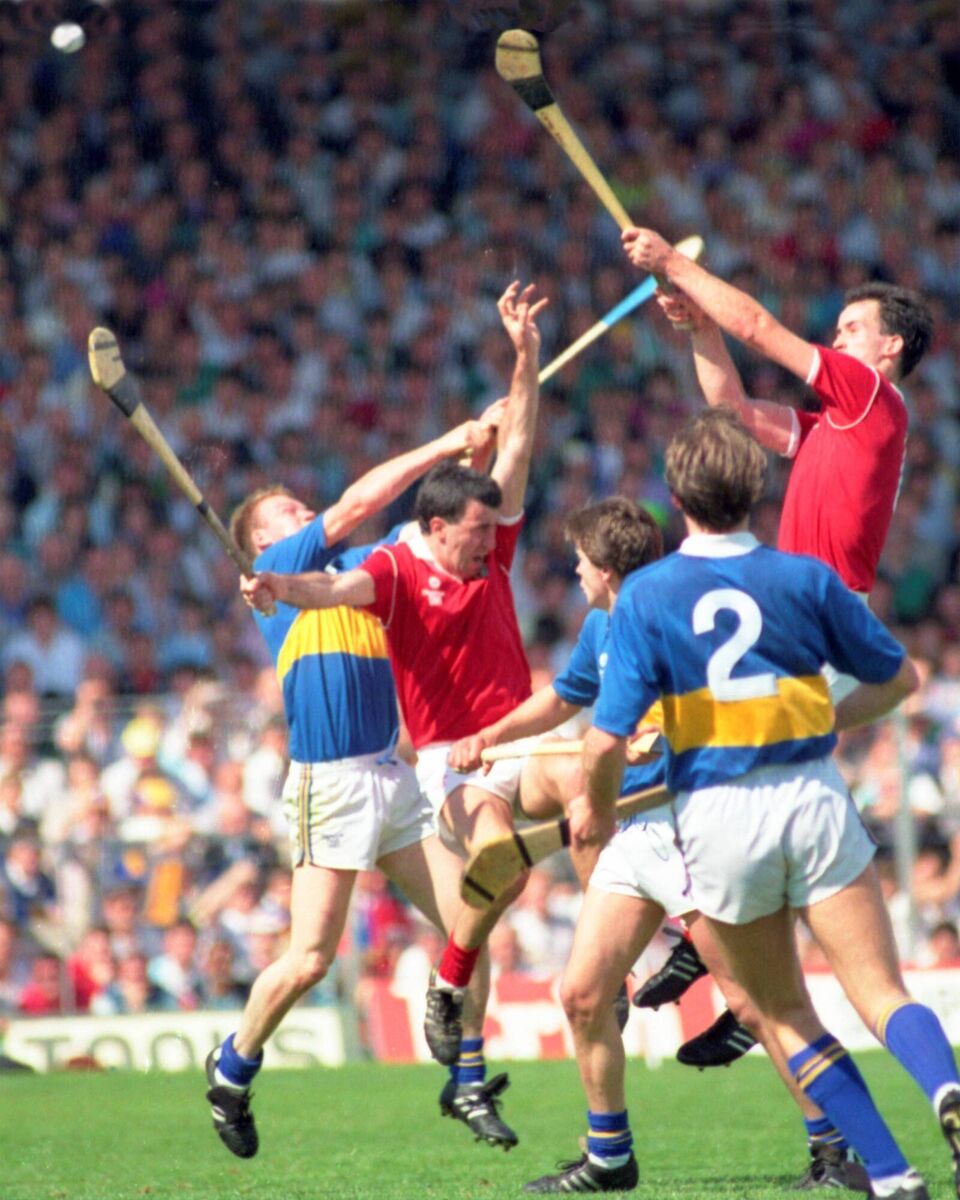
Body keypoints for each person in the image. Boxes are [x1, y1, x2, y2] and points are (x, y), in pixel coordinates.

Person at [527, 408, 959, 1199]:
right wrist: (821, 718)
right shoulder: (804, 576)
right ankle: (945, 1092)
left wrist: (591, 811)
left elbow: (601, 742)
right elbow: (899, 681)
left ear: (676, 495)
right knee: (882, 993)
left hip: (719, 815)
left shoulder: (649, 594)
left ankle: (893, 1178)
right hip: (814, 797)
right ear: (755, 488)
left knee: (785, 1012)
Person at [451, 495, 861, 1190]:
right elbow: (566, 695)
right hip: (632, 836)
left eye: (581, 561)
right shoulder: (603, 621)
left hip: (689, 831)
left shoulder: (673, 609)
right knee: (582, 993)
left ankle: (837, 1150)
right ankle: (610, 1157)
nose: (574, 571)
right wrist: (494, 737)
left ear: (606, 568)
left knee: (758, 1004)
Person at [206, 297, 525, 1162]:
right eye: (282, 514)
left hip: (394, 775)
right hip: (330, 783)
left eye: (294, 510)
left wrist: (480, 444)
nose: (297, 515)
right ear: (261, 544)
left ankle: (466, 1082)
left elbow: (438, 516)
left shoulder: (368, 570)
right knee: (310, 957)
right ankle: (233, 1067)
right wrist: (440, 441)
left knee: (474, 918)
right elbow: (354, 502)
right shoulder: (277, 571)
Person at [621, 229, 935, 1035]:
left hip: (815, 626)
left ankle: (726, 955)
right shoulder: (835, 421)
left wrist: (675, 264)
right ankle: (729, 955)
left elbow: (761, 326)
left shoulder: (871, 394)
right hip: (789, 620)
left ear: (889, 346)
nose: (838, 338)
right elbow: (726, 410)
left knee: (706, 774)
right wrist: (696, 325)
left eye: (852, 328)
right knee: (725, 779)